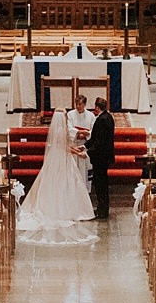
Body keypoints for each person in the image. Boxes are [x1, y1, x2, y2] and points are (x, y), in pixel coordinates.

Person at [17, 107, 97, 245]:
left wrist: (75, 149)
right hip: (61, 159)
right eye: (65, 115)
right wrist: (77, 153)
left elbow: (65, 146)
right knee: (65, 182)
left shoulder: (61, 129)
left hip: (61, 157)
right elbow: (63, 148)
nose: (67, 117)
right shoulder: (61, 131)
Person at [87, 96, 116, 219]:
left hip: (100, 157)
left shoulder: (102, 120)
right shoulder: (108, 117)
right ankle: (102, 207)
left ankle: (103, 209)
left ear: (97, 107)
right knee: (102, 183)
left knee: (100, 184)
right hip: (104, 156)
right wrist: (85, 146)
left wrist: (87, 151)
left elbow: (99, 141)